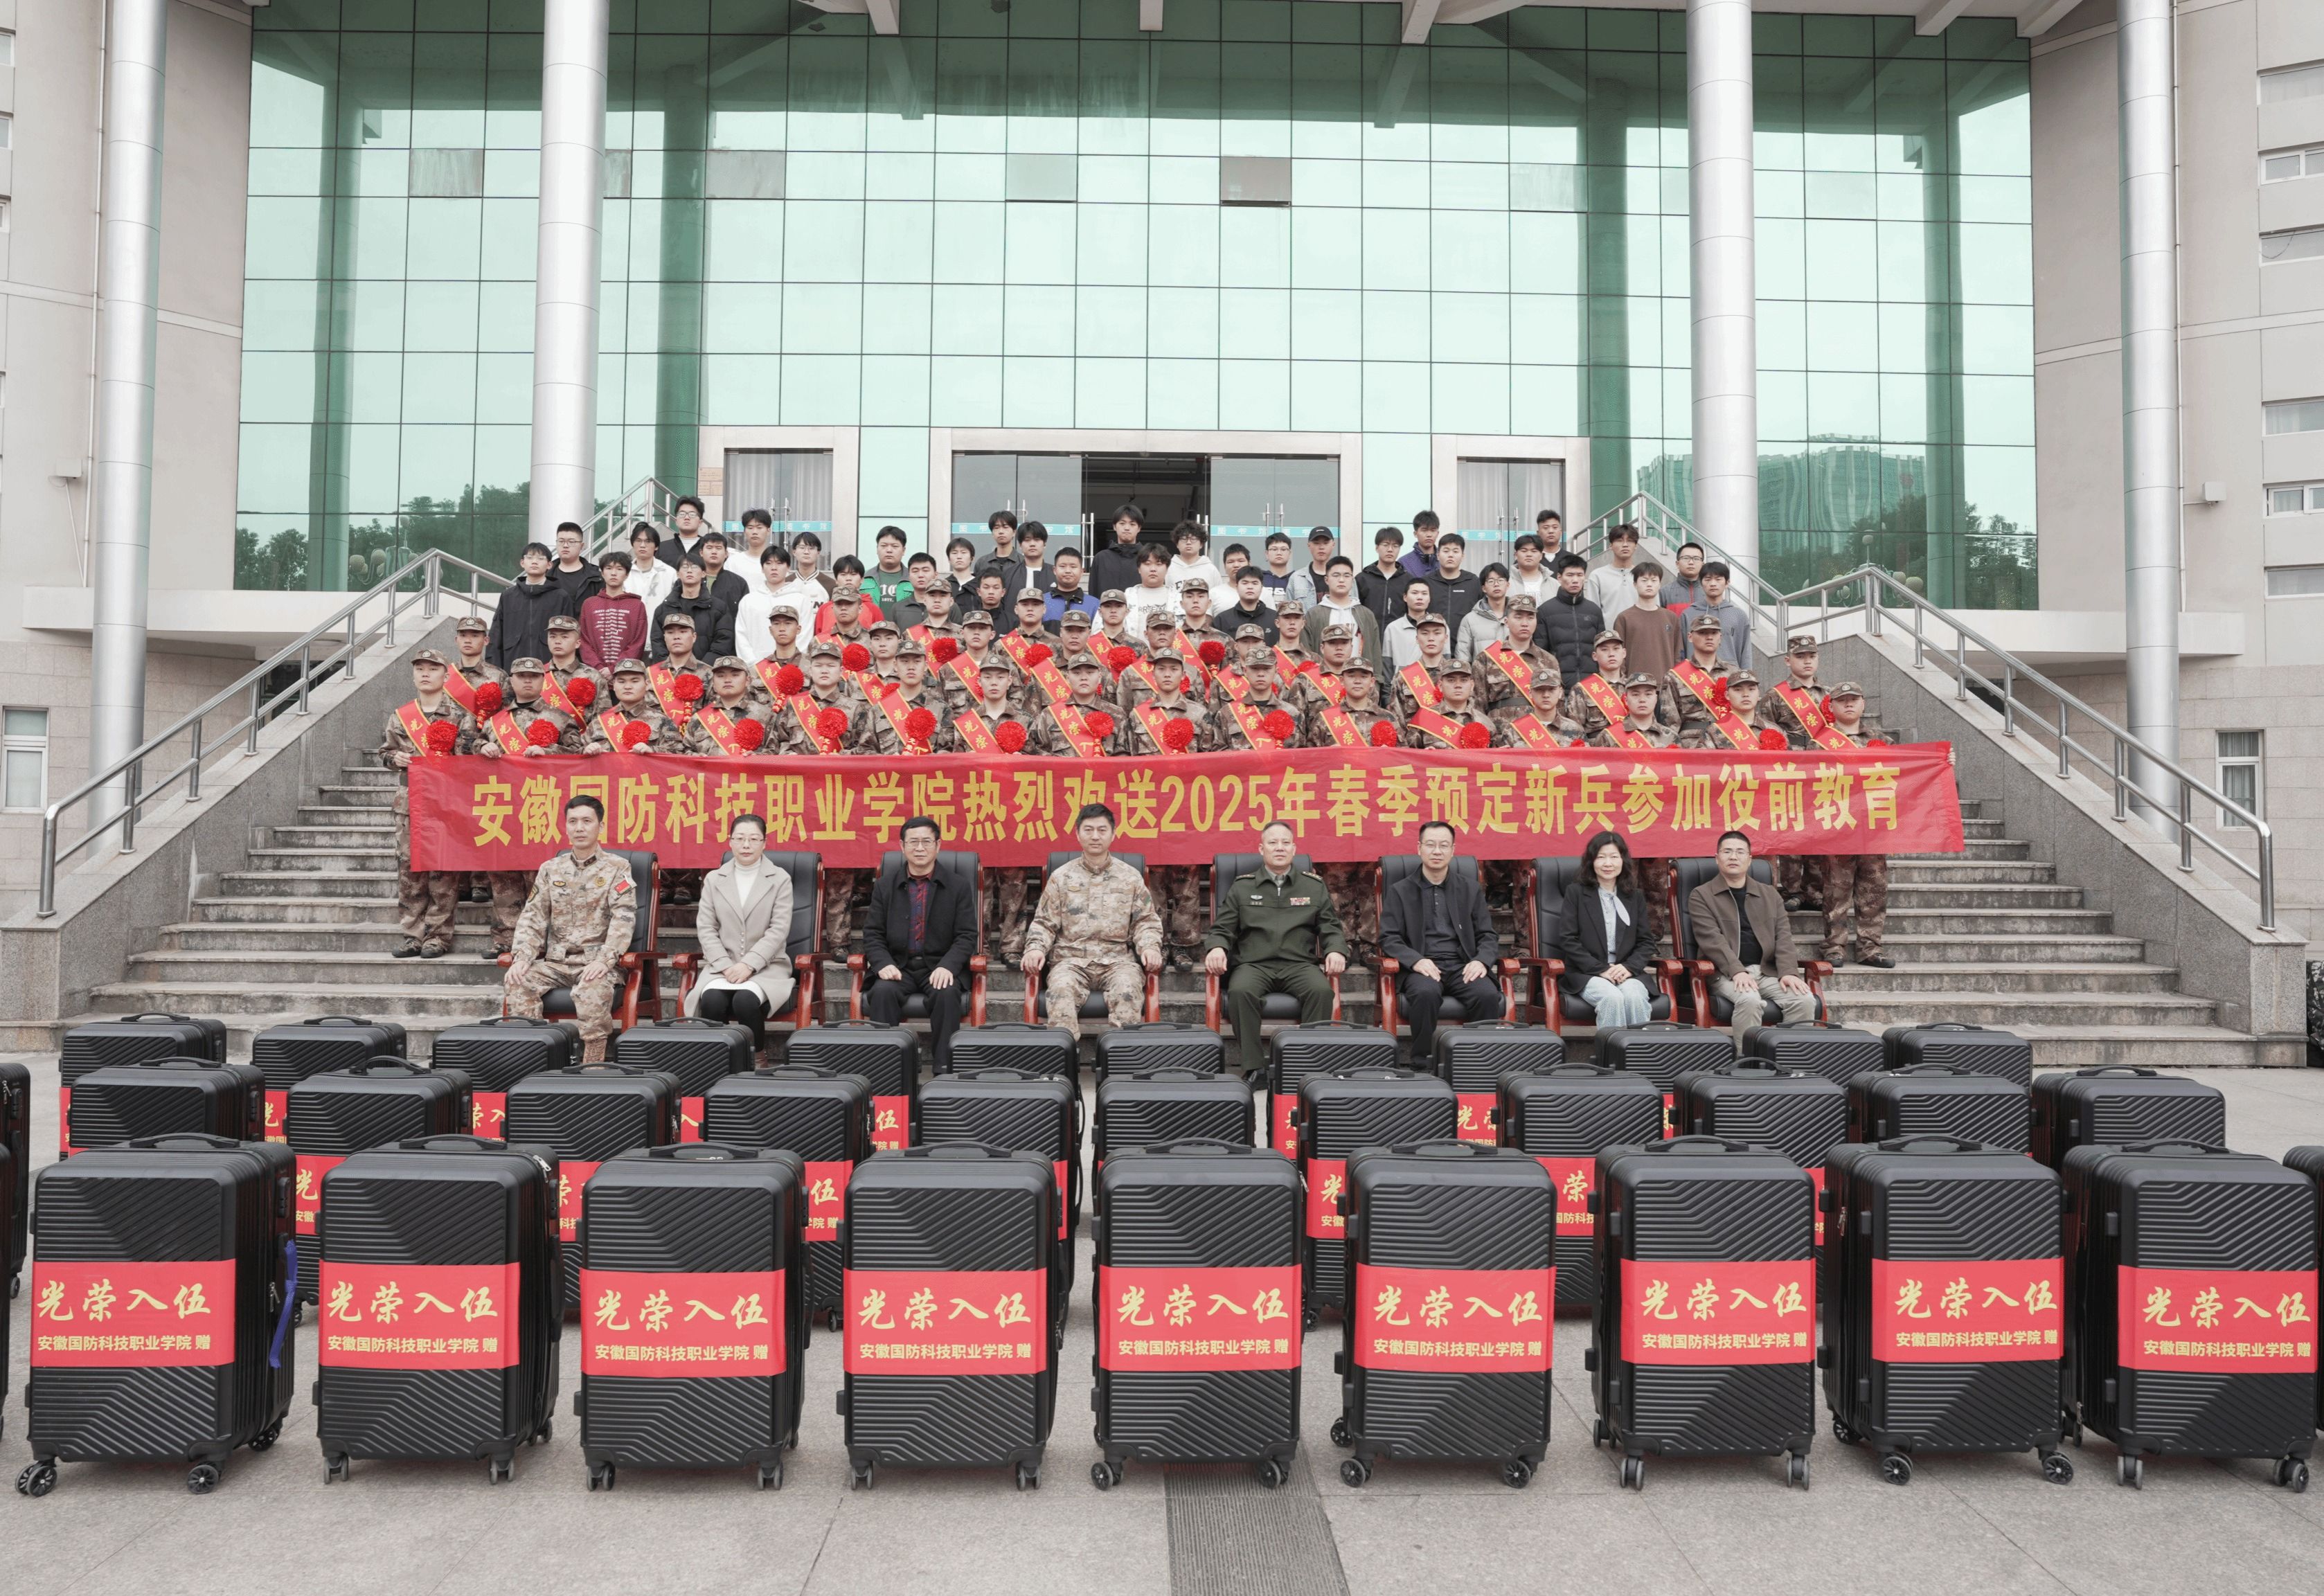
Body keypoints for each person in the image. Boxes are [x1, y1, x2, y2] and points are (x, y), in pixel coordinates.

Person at [1203, 822, 1349, 1077]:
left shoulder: (1313, 887)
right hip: (1254, 965)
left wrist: (1335, 950)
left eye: (1285, 843)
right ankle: (1254, 1069)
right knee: (1240, 992)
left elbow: (1331, 927)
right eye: (1272, 843)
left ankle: (1305, 1067)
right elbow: (1223, 928)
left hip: (1299, 965)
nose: (1279, 848)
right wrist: (1216, 948)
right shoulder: (1243, 887)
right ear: (1262, 849)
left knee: (1322, 992)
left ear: (1294, 849)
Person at [503, 794, 637, 1064]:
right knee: (517, 980)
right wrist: (523, 957)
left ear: (600, 826)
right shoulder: (551, 869)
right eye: (573, 822)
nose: (579, 828)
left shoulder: (617, 867)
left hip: (596, 963)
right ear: (565, 827)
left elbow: (623, 917)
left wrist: (605, 959)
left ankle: (593, 1061)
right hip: (556, 963)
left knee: (592, 988)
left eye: (587, 821)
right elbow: (533, 916)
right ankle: (533, 1057)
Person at [1021, 804, 1164, 1041]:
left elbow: (1145, 921)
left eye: (1102, 830)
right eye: (1088, 830)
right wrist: (1035, 949)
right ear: (1078, 834)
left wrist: (1150, 947)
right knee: (1061, 989)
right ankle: (1064, 1056)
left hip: (1118, 960)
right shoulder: (1062, 877)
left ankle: (1121, 1057)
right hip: (1071, 960)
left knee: (1127, 989)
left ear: (1113, 834)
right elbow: (1044, 923)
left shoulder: (1130, 876)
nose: (1095, 836)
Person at [475, 658, 584, 952]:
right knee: (504, 876)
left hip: (542, 805)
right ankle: (506, 940)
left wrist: (550, 751)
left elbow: (579, 754)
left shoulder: (559, 718)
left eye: (534, 676)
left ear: (543, 681)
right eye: (521, 676)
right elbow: (470, 749)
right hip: (504, 807)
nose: (527, 681)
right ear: (511, 680)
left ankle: (543, 942)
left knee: (542, 877)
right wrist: (482, 746)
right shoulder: (494, 722)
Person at [1378, 821, 1505, 1061]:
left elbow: (1487, 935)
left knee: (1486, 995)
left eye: (1444, 846)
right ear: (1419, 848)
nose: (1437, 851)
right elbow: (1389, 937)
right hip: (1422, 966)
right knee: (1425, 993)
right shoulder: (1400, 890)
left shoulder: (1469, 889)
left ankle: (1479, 1061)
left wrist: (1481, 961)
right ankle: (1422, 1060)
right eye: (1431, 845)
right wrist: (1415, 961)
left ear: (1453, 850)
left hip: (1462, 965)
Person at [379, 648, 474, 960]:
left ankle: (438, 937)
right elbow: (384, 753)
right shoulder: (401, 715)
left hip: (447, 802)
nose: (425, 673)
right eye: (420, 668)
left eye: (432, 669)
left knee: (443, 870)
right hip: (410, 803)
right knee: (410, 869)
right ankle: (412, 935)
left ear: (446, 676)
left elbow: (471, 760)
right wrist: (394, 758)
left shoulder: (461, 716)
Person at [863, 816, 978, 1069]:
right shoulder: (885, 886)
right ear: (902, 846)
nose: (920, 848)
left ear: (938, 845)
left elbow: (967, 935)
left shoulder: (957, 886)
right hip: (898, 966)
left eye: (927, 841)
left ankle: (945, 1070)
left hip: (938, 966)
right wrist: (882, 963)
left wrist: (948, 966)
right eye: (913, 842)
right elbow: (872, 933)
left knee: (946, 994)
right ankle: (886, 1070)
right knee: (882, 992)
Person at [1688, 830, 1818, 1035]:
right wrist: (1737, 971)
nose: (1733, 857)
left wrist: (1788, 972)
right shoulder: (1702, 895)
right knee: (1749, 1000)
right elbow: (1712, 940)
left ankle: (1788, 1054)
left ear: (1749, 860)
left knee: (1804, 999)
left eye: (1740, 852)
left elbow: (1783, 938)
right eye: (1727, 852)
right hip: (1725, 974)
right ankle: (1748, 1055)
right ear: (1717, 858)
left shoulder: (1769, 894)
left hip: (1766, 972)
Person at [686, 814, 796, 1052]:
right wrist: (726, 966)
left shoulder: (780, 879)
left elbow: (779, 929)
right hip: (721, 967)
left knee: (745, 1001)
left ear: (764, 843)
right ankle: (720, 1059)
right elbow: (706, 928)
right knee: (712, 1001)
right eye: (740, 839)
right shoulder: (714, 879)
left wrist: (749, 965)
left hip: (767, 967)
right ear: (730, 841)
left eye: (754, 839)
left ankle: (756, 1057)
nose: (746, 845)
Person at [1814, 683, 1894, 969]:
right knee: (1836, 890)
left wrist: (1943, 760)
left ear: (1863, 704)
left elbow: (1907, 772)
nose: (1848, 704)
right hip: (1837, 824)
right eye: (1842, 700)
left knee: (1874, 889)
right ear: (1831, 706)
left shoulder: (1881, 740)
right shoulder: (1819, 742)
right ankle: (1834, 946)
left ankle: (1870, 947)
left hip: (1872, 826)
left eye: (1854, 699)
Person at [1555, 830, 1660, 1028]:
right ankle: (1612, 1048)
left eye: (1614, 857)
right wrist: (1601, 969)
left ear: (1623, 860)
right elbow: (1568, 939)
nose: (1608, 864)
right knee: (1612, 998)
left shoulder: (1634, 896)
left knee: (1635, 997)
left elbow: (1646, 942)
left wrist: (1629, 967)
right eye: (1601, 857)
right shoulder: (1576, 893)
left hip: (1626, 971)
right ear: (1591, 861)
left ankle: (1641, 1048)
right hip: (1588, 973)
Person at [487, 541, 575, 670]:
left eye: (540, 558)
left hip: (550, 669)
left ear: (549, 565)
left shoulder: (561, 597)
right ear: (522, 563)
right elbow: (496, 635)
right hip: (513, 668)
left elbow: (570, 637)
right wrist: (494, 669)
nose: (534, 562)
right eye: (530, 558)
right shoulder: (508, 596)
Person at [582, 659, 684, 753]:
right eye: (621, 682)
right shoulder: (599, 722)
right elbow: (577, 758)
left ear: (647, 684)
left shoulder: (663, 721)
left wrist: (652, 751)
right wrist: (586, 751)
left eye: (635, 681)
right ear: (614, 685)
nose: (628, 687)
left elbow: (677, 756)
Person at [1663, 612, 1735, 740]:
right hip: (1691, 743)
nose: (1709, 637)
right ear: (1690, 637)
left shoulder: (1733, 673)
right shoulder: (1675, 676)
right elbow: (1670, 723)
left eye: (1714, 633)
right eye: (1703, 633)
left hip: (1727, 741)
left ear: (1720, 637)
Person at [651, 551, 735, 661]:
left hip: (708, 669)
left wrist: (703, 667)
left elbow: (723, 641)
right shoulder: (664, 609)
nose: (689, 571)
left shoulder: (719, 608)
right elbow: (658, 643)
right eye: (685, 567)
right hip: (672, 670)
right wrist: (671, 667)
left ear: (704, 573)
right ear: (678, 574)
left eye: (694, 567)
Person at [1538, 551, 1605, 688]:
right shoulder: (1545, 611)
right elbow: (1540, 653)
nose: (1575, 580)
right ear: (1559, 577)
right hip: (1558, 686)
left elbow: (1602, 649)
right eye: (1570, 575)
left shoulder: (1594, 610)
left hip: (1592, 686)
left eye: (1580, 575)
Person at [1614, 562, 1684, 683]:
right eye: (1644, 580)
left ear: (1660, 584)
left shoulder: (1671, 617)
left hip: (1666, 685)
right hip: (1635, 686)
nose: (1649, 584)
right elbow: (1619, 655)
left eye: (1654, 580)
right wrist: (1623, 681)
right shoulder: (1624, 618)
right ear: (1635, 584)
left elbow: (1678, 654)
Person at [579, 550, 649, 670]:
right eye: (609, 568)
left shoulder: (637, 605)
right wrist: (598, 667)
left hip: (625, 673)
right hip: (594, 673)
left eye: (619, 569)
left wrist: (614, 669)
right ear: (602, 573)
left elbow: (638, 642)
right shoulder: (589, 604)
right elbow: (584, 641)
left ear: (627, 574)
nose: (614, 573)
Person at [1301, 555, 1379, 661]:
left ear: (1352, 580)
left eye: (1347, 576)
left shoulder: (1366, 615)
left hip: (1357, 671)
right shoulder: (1314, 614)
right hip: (1323, 671)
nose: (1341, 580)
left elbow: (1375, 653)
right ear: (1326, 580)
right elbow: (1306, 653)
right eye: (1336, 575)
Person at [1682, 560, 1752, 671]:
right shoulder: (1689, 614)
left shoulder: (1738, 615)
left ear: (1727, 583)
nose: (1713, 584)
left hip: (1730, 675)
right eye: (1708, 579)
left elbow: (1746, 652)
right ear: (1701, 583)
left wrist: (1746, 676)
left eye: (1718, 579)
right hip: (1696, 675)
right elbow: (1681, 651)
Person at [1164, 521, 1233, 611]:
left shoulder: (1211, 569)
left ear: (1201, 544)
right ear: (1177, 544)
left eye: (1193, 539)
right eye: (1184, 539)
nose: (1189, 542)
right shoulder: (1168, 568)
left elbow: (1217, 598)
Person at [1423, 532, 1483, 631]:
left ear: (1462, 556)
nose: (1450, 555)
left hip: (1466, 639)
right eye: (1446, 551)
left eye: (1455, 551)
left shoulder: (1473, 582)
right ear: (1438, 555)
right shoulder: (1426, 582)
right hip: (1433, 638)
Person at [1584, 522, 1643, 622]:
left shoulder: (1644, 575)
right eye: (1620, 541)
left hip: (1639, 630)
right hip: (1609, 631)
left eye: (1630, 541)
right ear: (1610, 546)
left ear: (1636, 546)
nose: (1625, 545)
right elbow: (1592, 612)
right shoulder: (1597, 576)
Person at [1380, 578, 1438, 675]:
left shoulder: (1440, 627)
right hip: (1401, 682)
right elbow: (1387, 663)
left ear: (1430, 598)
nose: (1420, 597)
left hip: (1432, 683)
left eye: (1424, 594)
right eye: (1415, 593)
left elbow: (1446, 660)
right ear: (1405, 597)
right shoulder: (1393, 628)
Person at [1091, 503, 1150, 598]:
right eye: (1122, 523)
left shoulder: (1148, 558)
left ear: (1139, 528)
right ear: (1114, 526)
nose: (1127, 528)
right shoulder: (1101, 558)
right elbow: (1094, 593)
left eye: (1132, 524)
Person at [1455, 562, 1512, 660]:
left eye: (1500, 580)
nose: (1496, 584)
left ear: (1507, 585)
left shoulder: (1518, 617)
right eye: (1491, 581)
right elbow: (1463, 657)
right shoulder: (1470, 620)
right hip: (1481, 670)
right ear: (1484, 588)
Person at [1121, 544, 1179, 638]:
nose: (1153, 569)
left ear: (1167, 569)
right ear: (1139, 569)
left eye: (1159, 564)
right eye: (1147, 564)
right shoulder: (1125, 599)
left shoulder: (1179, 599)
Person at [1360, 526, 1414, 622]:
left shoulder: (1409, 581)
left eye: (1395, 546)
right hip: (1370, 631)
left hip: (1399, 631)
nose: (1390, 550)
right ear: (1377, 548)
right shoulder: (1363, 579)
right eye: (1385, 545)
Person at [1042, 546, 1098, 629]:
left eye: (1073, 567)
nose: (1068, 571)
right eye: (1063, 566)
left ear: (1082, 571)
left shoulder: (1094, 605)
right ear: (1055, 570)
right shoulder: (1041, 602)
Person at [1222, 564, 1280, 645]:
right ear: (1237, 587)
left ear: (1262, 588)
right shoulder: (1222, 620)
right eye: (1245, 583)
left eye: (1255, 583)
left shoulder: (1276, 619)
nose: (1250, 587)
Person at [548, 521, 602, 607]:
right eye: (561, 541)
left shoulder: (597, 577)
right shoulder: (545, 574)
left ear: (582, 546)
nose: (565, 545)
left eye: (572, 542)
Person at [627, 522, 677, 612]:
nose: (642, 545)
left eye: (648, 541)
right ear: (633, 544)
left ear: (656, 546)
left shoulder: (669, 573)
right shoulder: (624, 572)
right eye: (638, 541)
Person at [697, 532, 751, 612]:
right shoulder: (691, 578)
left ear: (726, 554)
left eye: (718, 548)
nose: (714, 552)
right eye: (709, 548)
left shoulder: (739, 583)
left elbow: (745, 612)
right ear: (701, 553)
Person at [1285, 526, 1337, 607]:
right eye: (1316, 543)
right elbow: (1289, 611)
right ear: (1309, 545)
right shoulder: (1296, 578)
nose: (1321, 547)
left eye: (1326, 543)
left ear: (1333, 545)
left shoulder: (1345, 577)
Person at [866, 526, 915, 609]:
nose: (889, 550)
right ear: (877, 549)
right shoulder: (864, 577)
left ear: (903, 550)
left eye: (895, 546)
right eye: (884, 546)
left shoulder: (913, 578)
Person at [656, 495, 710, 570]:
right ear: (676, 521)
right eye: (682, 514)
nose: (687, 518)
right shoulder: (662, 548)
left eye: (692, 514)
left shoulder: (708, 548)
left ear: (700, 522)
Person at [1507, 531, 1554, 604]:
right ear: (1516, 555)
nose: (1529, 554)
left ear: (1541, 556)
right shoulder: (1506, 583)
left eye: (1534, 551)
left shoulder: (1554, 584)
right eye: (1524, 551)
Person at [1663, 541, 1708, 611]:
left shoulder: (1710, 590)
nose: (1691, 562)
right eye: (1686, 558)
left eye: (1696, 559)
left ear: (1702, 564)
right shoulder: (1664, 592)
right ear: (1677, 564)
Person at [1400, 510, 1440, 578]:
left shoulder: (1445, 558)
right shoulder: (1404, 562)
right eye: (1424, 530)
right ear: (1415, 534)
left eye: (1433, 530)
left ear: (1437, 533)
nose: (1429, 535)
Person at [945, 535, 982, 604]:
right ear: (949, 559)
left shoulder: (980, 584)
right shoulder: (945, 585)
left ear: (972, 558)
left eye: (963, 553)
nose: (959, 557)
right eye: (954, 553)